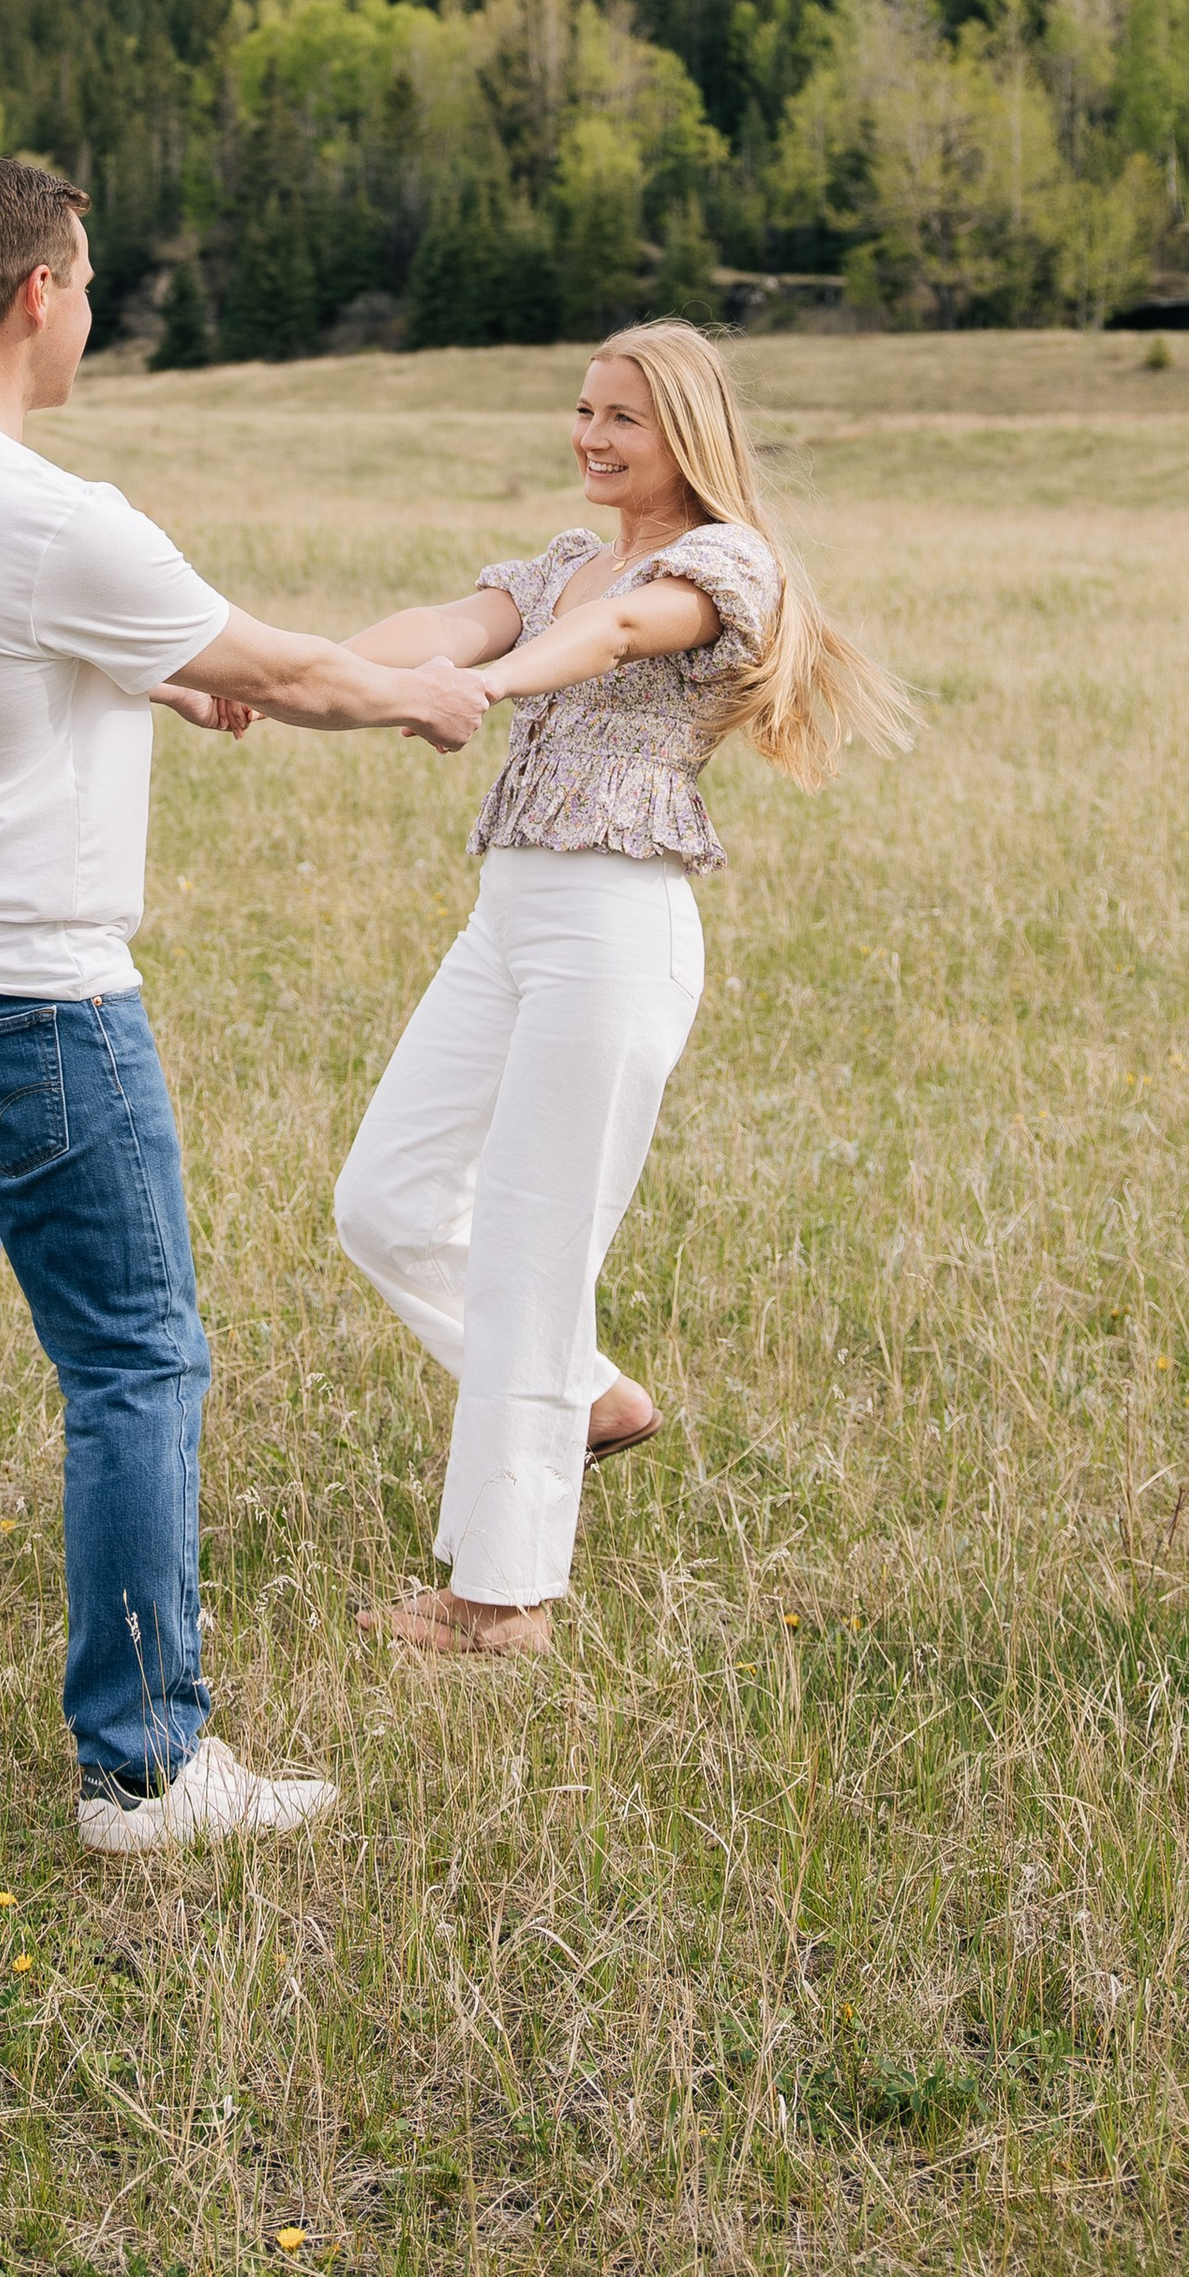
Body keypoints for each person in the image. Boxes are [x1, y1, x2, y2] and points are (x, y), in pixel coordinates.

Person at [0, 155, 493, 1850]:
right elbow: (290, 671)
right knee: (139, 1360)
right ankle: (145, 1764)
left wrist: (143, 670)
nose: (88, 312)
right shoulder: (56, 519)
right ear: (34, 298)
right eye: (84, 284)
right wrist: (422, 693)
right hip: (30, 1005)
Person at [331, 319, 912, 1657]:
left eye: (623, 419)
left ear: (686, 437)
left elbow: (605, 641)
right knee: (387, 1199)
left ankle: (501, 1599)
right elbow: (449, 618)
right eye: (585, 410)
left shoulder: (721, 566)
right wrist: (307, 675)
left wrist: (475, 685)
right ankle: (586, 1397)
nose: (592, 436)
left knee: (536, 1254)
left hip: (614, 928)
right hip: (511, 918)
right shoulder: (564, 563)